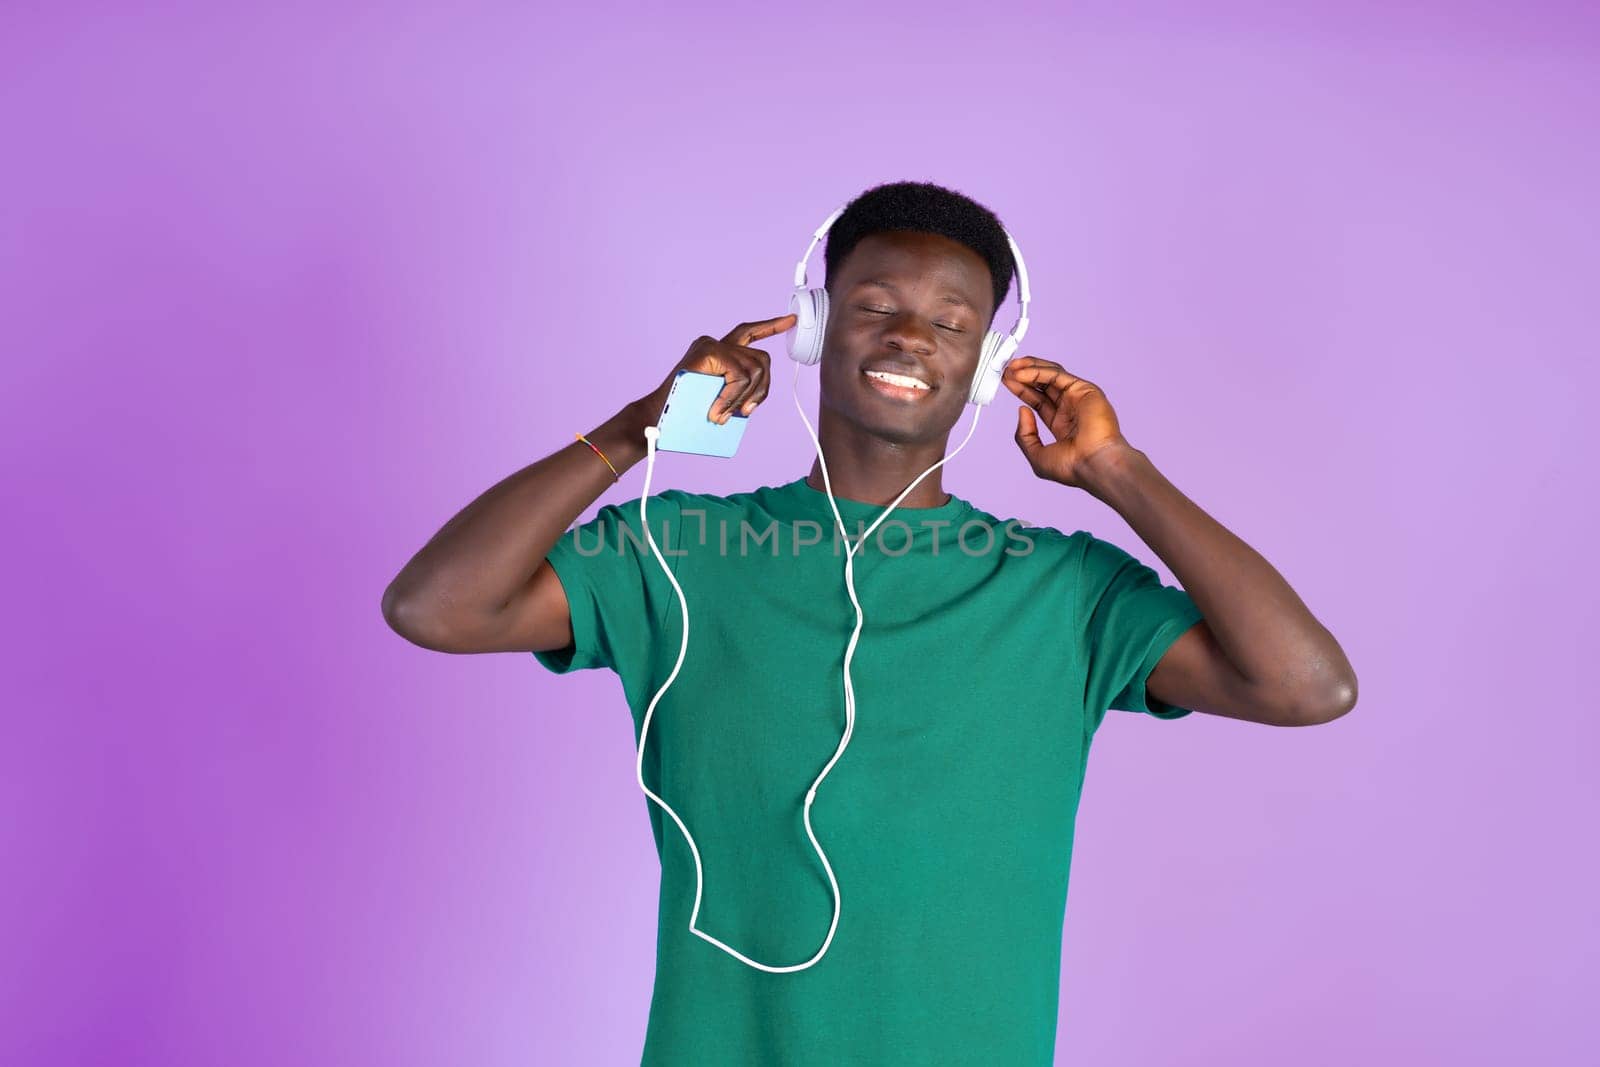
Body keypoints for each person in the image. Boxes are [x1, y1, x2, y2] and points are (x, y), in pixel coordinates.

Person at [381, 180, 1358, 1065]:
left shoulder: (1062, 587)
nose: (909, 336)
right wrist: (643, 426)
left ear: (987, 365)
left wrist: (1116, 471)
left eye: (951, 320)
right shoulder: (681, 551)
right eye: (875, 306)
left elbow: (1306, 684)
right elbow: (437, 604)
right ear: (814, 325)